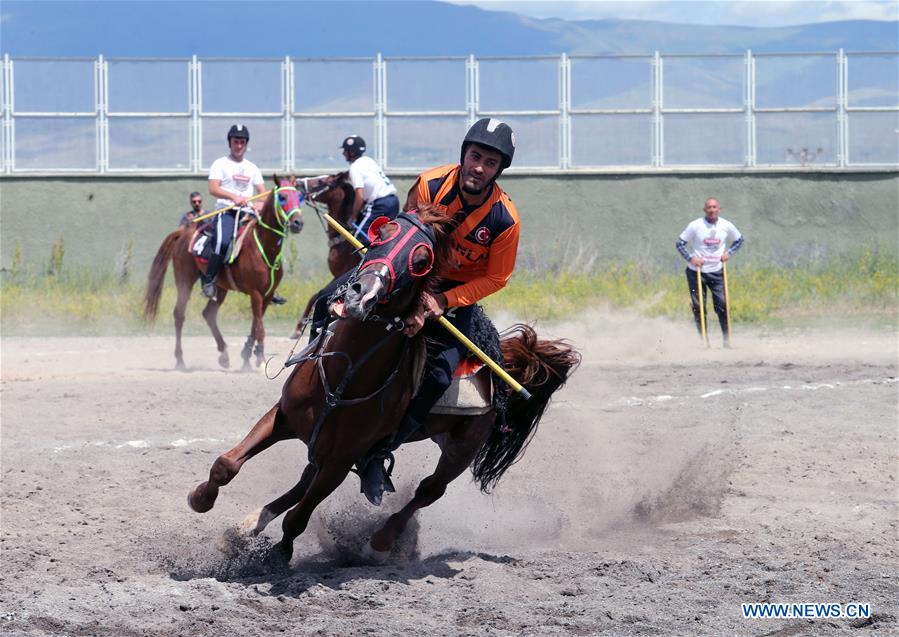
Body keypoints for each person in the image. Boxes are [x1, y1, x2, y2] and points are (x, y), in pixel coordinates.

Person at [356, 117, 520, 505]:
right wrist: (414, 295)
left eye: (490, 163)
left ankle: (379, 453)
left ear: (498, 171)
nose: (479, 167)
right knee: (338, 300)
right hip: (409, 274)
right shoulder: (430, 184)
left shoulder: (504, 219)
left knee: (441, 372)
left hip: (453, 297)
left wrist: (441, 303)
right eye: (475, 156)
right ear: (464, 154)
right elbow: (403, 235)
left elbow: (497, 278)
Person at [203, 124, 266, 301]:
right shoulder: (220, 163)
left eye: (242, 142)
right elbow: (213, 188)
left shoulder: (252, 168)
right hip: (227, 211)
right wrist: (234, 197)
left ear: (246, 145)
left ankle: (268, 285)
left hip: (249, 214)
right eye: (236, 141)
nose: (239, 145)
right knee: (222, 242)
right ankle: (209, 280)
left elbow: (262, 192)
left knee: (268, 241)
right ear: (230, 143)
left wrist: (260, 203)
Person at [676, 198, 744, 347]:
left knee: (722, 305)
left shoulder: (726, 225)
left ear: (719, 209)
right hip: (696, 272)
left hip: (717, 271)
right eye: (709, 207)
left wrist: (729, 253)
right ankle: (704, 341)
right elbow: (680, 243)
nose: (712, 210)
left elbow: (739, 240)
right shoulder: (695, 225)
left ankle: (727, 341)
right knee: (698, 307)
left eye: (714, 207)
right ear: (705, 210)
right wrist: (691, 258)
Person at [340, 135, 399, 243]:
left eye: (345, 150)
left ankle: (371, 260)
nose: (343, 153)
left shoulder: (355, 167)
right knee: (386, 239)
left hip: (380, 205)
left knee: (358, 239)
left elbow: (360, 195)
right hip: (393, 201)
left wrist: (353, 216)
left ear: (352, 152)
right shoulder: (368, 160)